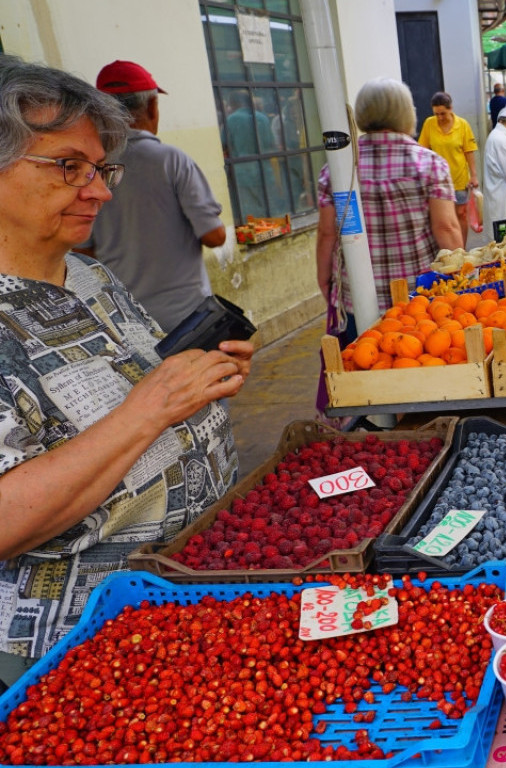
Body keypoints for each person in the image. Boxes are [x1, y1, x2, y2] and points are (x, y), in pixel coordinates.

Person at [0, 56, 253, 678]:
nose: (102, 190)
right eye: (68, 167)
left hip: (190, 605)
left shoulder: (90, 274)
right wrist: (151, 408)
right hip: (84, 655)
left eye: (99, 168)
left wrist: (196, 381)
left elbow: (141, 394)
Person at [77, 60, 225, 334]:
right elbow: (214, 237)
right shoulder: (172, 161)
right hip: (187, 315)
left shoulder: (89, 169)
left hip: (128, 319)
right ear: (152, 108)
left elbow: (82, 249)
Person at [315, 78, 463, 324]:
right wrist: (463, 276)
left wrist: (324, 279)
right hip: (421, 300)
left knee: (363, 359)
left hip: (358, 303)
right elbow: (446, 228)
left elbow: (327, 233)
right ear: (407, 113)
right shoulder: (429, 164)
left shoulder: (338, 170)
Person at [417, 91, 478, 238]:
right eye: (436, 114)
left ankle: (461, 250)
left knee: (461, 215)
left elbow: (469, 152)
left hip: (459, 178)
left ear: (450, 108)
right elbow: (422, 150)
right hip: (438, 181)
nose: (439, 117)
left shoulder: (462, 125)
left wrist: (474, 175)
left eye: (442, 113)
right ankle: (448, 250)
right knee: (443, 219)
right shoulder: (429, 123)